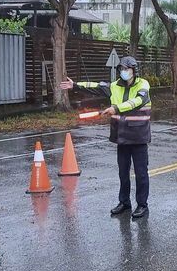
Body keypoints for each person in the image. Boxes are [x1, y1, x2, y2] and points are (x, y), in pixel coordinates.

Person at [60, 56, 151, 218]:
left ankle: (142, 205)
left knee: (141, 173)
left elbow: (138, 101)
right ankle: (124, 202)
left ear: (134, 70)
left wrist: (116, 108)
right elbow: (96, 86)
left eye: (127, 69)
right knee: (123, 173)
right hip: (121, 136)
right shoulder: (114, 86)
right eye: (121, 69)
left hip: (138, 137)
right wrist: (75, 85)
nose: (124, 72)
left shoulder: (143, 84)